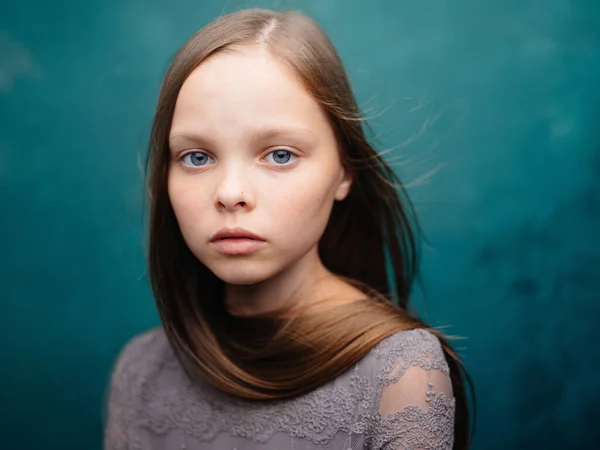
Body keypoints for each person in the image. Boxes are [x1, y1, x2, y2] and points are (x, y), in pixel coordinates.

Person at [103, 7, 474, 450]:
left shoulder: (403, 374)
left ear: (344, 172)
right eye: (196, 157)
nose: (230, 193)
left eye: (280, 155)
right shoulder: (140, 369)